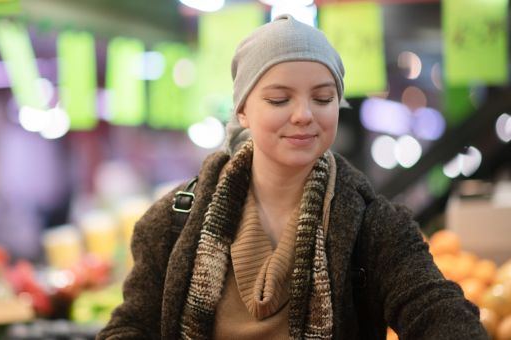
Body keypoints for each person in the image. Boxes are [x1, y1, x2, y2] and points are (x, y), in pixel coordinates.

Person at [97, 14, 487, 340]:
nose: (304, 115)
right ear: (243, 111)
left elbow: (435, 310)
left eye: (322, 98)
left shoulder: (376, 226)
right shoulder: (171, 222)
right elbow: (131, 325)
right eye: (279, 99)